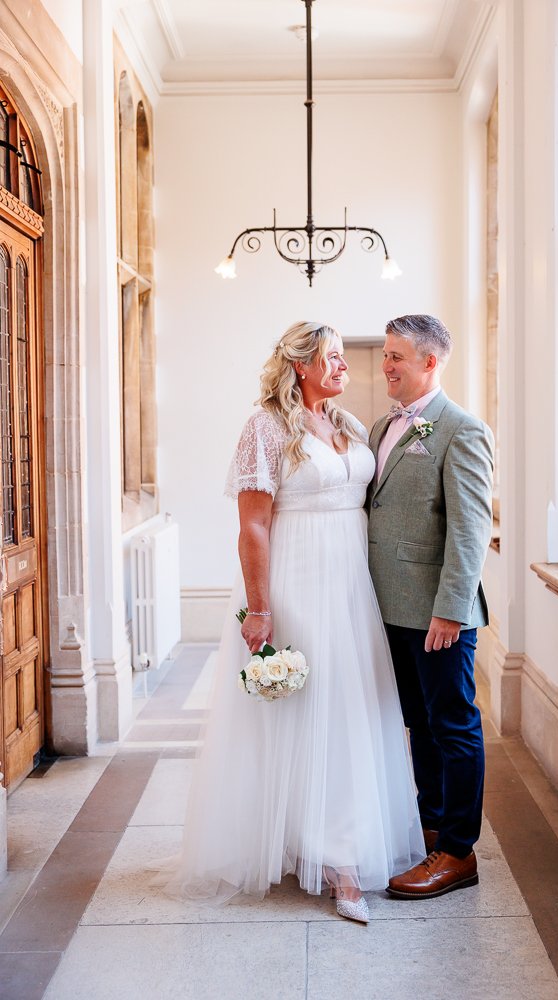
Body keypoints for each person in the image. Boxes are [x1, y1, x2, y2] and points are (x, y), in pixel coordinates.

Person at [156, 321, 424, 924]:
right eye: (331, 358)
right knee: (310, 710)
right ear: (299, 365)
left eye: (341, 359)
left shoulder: (350, 426)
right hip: (297, 581)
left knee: (355, 709)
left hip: (354, 587)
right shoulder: (266, 427)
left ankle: (344, 840)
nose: (343, 368)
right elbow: (253, 524)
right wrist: (260, 606)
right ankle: (333, 859)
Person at [367, 314, 493, 900]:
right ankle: (432, 826)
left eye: (397, 356)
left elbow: (470, 532)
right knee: (419, 724)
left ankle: (458, 852)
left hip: (439, 614)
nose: (386, 364)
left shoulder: (460, 430)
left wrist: (450, 611)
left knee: (454, 725)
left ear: (430, 363)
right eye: (386, 354)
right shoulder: (381, 427)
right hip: (393, 609)